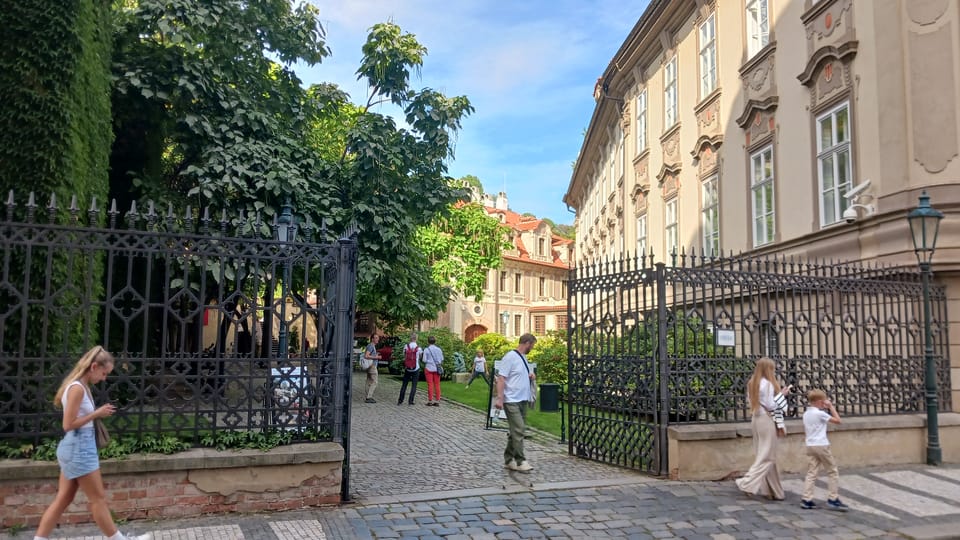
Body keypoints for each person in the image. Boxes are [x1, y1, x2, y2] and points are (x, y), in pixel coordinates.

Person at [34, 346, 151, 540]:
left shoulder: (79, 385)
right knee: (98, 499)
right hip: (79, 447)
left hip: (77, 447)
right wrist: (97, 413)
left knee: (64, 498)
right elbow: (68, 424)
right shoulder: (77, 388)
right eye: (104, 373)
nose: (104, 378)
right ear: (94, 366)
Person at [735, 356, 792, 500]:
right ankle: (746, 483)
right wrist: (782, 395)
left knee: (763, 453)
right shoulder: (767, 384)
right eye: (772, 368)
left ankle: (774, 491)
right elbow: (772, 405)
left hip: (756, 419)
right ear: (768, 369)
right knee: (767, 456)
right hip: (766, 419)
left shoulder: (752, 382)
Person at [494, 333, 537, 473]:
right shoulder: (510, 357)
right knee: (519, 429)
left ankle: (508, 459)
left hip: (522, 399)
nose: (532, 348)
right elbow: (501, 378)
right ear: (527, 343)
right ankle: (520, 461)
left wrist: (531, 376)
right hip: (511, 400)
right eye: (532, 345)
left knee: (515, 431)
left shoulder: (523, 358)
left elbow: (520, 375)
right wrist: (500, 398)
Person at [800, 389, 849, 511]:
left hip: (810, 445)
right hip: (821, 444)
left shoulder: (806, 414)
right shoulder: (819, 413)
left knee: (812, 472)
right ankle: (833, 498)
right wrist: (831, 407)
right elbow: (838, 421)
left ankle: (806, 499)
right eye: (823, 401)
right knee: (832, 471)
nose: (825, 403)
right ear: (819, 401)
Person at [397, 333, 421, 405]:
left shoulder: (406, 346)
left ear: (410, 338)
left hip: (407, 367)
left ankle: (400, 400)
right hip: (416, 367)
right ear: (416, 338)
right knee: (414, 385)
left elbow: (404, 355)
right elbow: (420, 357)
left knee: (404, 384)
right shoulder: (418, 348)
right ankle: (411, 401)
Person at [422, 336, 444, 406]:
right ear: (435, 341)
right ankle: (437, 400)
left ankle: (430, 400)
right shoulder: (439, 349)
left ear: (428, 342)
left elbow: (424, 360)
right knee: (437, 384)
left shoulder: (426, 349)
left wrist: (430, 361)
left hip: (429, 368)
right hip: (437, 368)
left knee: (430, 385)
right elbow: (441, 359)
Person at [363, 334, 380, 403]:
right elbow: (366, 356)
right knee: (375, 382)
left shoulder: (371, 346)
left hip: (370, 366)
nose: (377, 339)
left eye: (378, 338)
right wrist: (376, 357)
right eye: (376, 338)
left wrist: (375, 355)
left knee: (369, 381)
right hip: (372, 366)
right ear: (372, 339)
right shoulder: (371, 346)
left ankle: (368, 396)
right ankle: (369, 397)